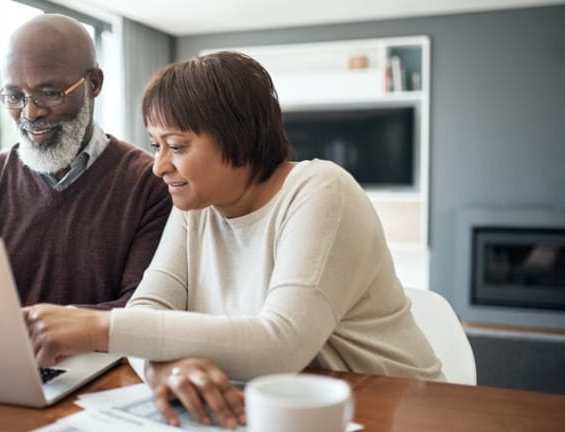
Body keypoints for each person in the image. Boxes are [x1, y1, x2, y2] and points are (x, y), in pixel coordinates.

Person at [22, 51, 444, 428]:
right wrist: (167, 370)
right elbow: (148, 311)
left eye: (177, 146)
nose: (159, 166)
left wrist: (98, 327)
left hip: (395, 408)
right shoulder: (196, 206)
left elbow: (280, 344)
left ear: (238, 135)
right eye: (155, 145)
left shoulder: (321, 190)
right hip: (275, 407)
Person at [0, 14, 171, 309]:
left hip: (105, 357)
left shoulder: (150, 185)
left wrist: (25, 328)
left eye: (49, 93)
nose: (30, 114)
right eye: (15, 97)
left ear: (93, 84)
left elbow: (142, 310)